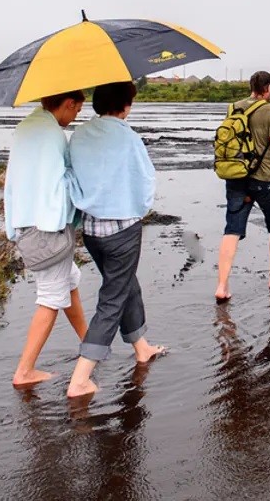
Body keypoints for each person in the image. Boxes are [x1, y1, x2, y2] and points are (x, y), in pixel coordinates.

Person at [66, 82, 166, 399]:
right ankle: (81, 378)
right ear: (124, 106)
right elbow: (146, 180)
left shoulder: (79, 135)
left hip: (91, 231)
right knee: (112, 298)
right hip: (122, 230)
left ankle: (141, 346)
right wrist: (138, 209)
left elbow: (71, 174)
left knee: (123, 284)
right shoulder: (128, 137)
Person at [3, 90, 89, 387]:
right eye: (77, 110)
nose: (76, 116)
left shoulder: (26, 127)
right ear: (69, 103)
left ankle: (89, 343)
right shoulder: (53, 135)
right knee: (51, 297)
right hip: (47, 227)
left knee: (69, 280)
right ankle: (25, 371)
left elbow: (17, 180)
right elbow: (59, 185)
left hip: (25, 221)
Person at [215, 72, 270, 302]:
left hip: (236, 177)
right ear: (268, 87)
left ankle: (222, 286)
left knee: (232, 230)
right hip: (266, 179)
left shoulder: (234, 108)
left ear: (251, 87)